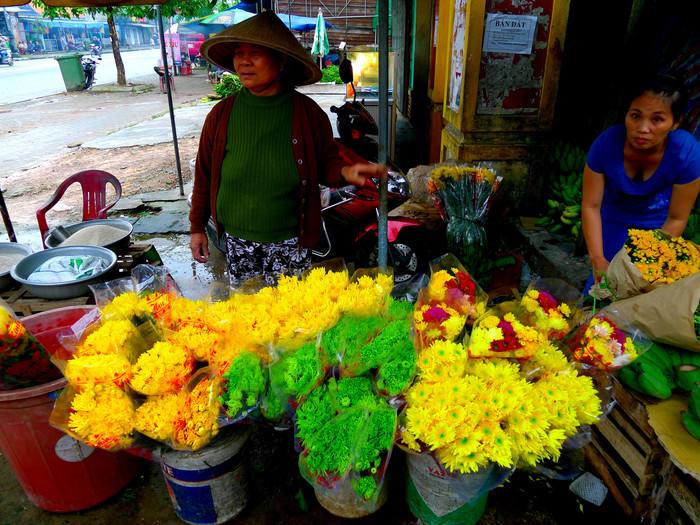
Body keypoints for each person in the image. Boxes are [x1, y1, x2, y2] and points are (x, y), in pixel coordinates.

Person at [189, 11, 386, 287]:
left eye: (255, 52)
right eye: (238, 53)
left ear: (280, 60)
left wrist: (346, 172)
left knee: (290, 319)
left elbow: (327, 164)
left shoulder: (307, 113)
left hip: (291, 240)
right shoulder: (221, 115)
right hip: (238, 238)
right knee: (250, 315)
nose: (243, 61)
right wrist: (197, 226)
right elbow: (204, 175)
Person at [581, 74, 700, 291]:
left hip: (658, 231)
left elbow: (677, 218)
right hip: (611, 224)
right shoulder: (606, 144)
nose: (643, 128)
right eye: (635, 116)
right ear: (626, 115)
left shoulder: (687, 154)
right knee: (598, 297)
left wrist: (647, 265)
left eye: (657, 119)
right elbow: (591, 205)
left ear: (676, 123)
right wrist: (597, 259)